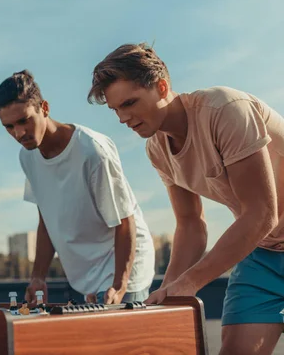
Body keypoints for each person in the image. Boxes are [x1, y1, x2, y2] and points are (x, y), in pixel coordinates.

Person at [88, 43, 284, 355]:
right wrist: (167, 292)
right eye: (116, 110)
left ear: (161, 87)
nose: (123, 117)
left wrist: (190, 282)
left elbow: (262, 213)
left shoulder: (225, 109)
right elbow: (192, 226)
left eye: (130, 103)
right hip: (262, 254)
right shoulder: (157, 149)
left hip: (261, 230)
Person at [0, 70, 155, 307]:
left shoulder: (92, 151)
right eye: (9, 126)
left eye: (24, 120)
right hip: (84, 278)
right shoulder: (28, 158)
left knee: (117, 344)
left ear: (44, 108)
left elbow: (124, 220)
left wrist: (120, 285)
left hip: (123, 273)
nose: (18, 133)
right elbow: (47, 219)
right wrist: (38, 277)